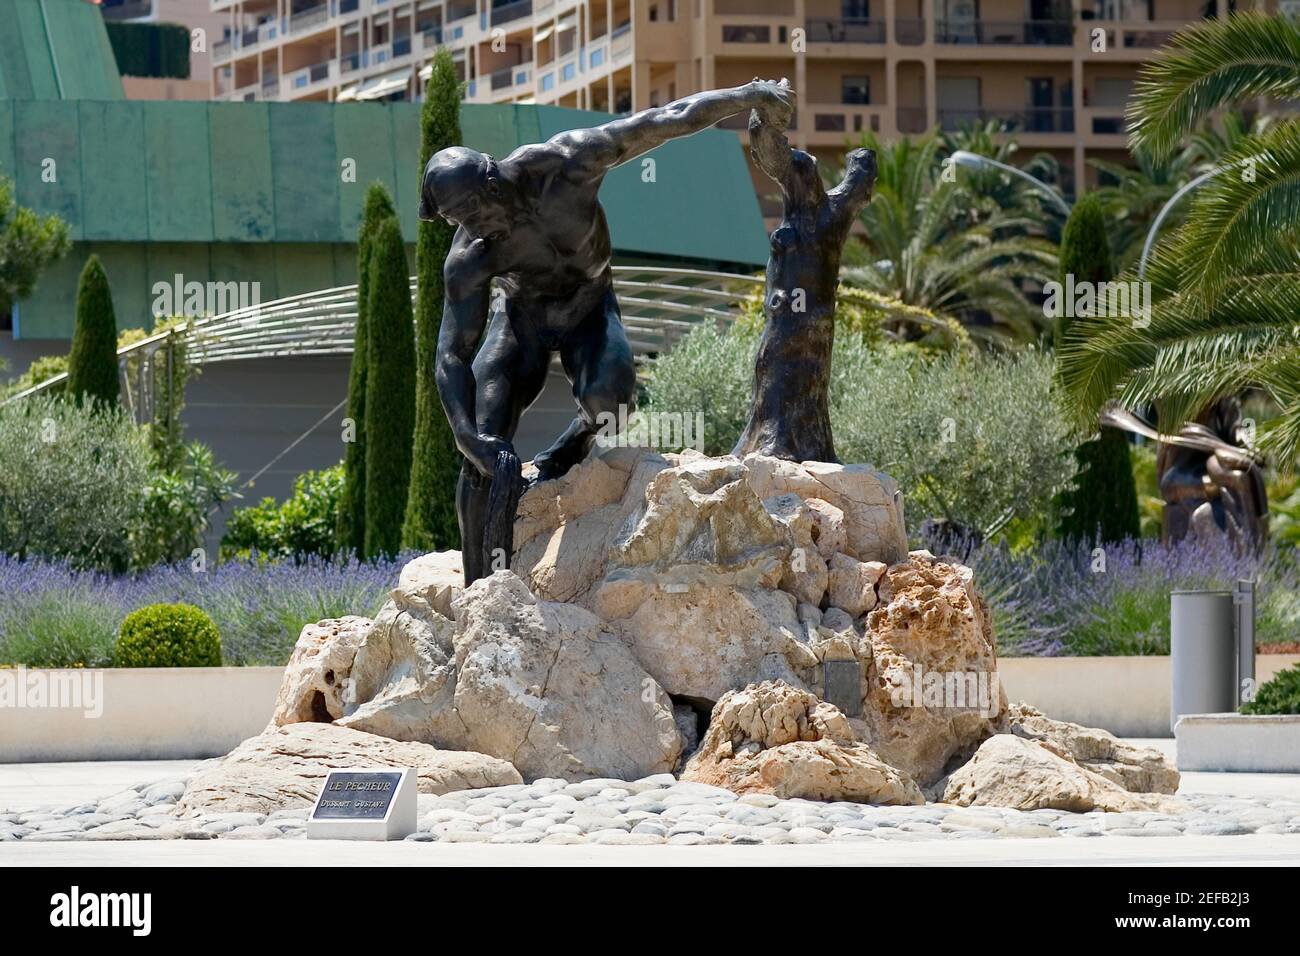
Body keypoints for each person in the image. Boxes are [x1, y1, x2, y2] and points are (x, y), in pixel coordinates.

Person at [419, 79, 794, 583]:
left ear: (491, 184)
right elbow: (452, 356)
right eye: (453, 220)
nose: (467, 228)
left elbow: (665, 118)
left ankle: (570, 447)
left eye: (467, 213)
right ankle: (477, 586)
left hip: (588, 307)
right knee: (485, 443)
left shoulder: (565, 164)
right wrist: (468, 437)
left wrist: (751, 93)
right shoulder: (469, 258)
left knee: (611, 401)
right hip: (522, 321)